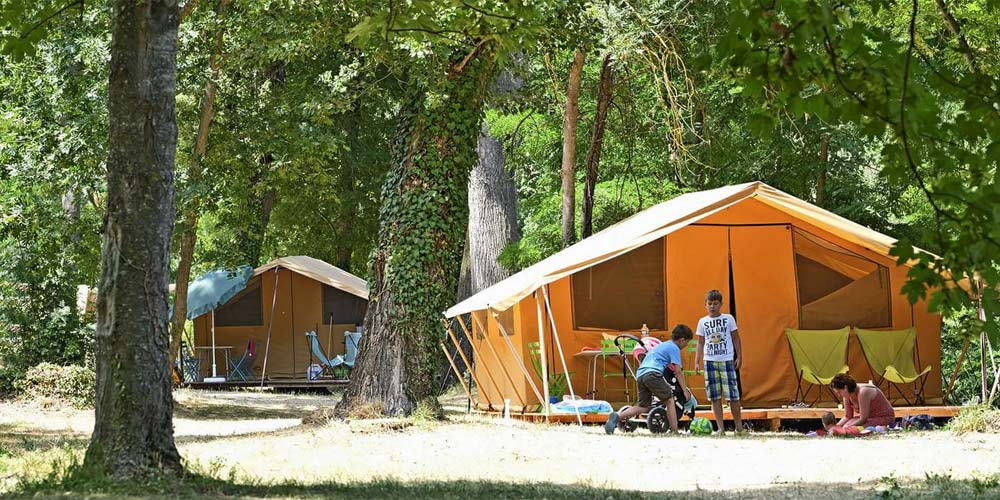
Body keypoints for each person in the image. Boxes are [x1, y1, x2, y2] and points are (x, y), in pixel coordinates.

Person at [605, 324, 694, 434]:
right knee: (670, 401)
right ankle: (675, 431)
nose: (685, 345)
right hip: (653, 374)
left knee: (643, 406)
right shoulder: (674, 348)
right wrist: (684, 390)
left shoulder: (661, 346)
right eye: (687, 343)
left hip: (641, 374)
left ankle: (618, 416)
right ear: (682, 340)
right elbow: (678, 371)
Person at [693, 289, 743, 435]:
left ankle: (739, 428)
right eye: (710, 304)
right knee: (714, 396)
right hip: (709, 361)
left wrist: (739, 356)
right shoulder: (703, 322)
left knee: (733, 396)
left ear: (721, 304)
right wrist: (697, 361)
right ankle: (720, 428)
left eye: (715, 304)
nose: (712, 306)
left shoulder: (728, 319)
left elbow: (735, 338)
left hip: (726, 360)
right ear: (705, 305)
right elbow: (700, 342)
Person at [830, 373, 895, 428]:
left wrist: (846, 429)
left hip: (883, 417)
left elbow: (863, 418)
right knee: (846, 426)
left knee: (848, 428)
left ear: (846, 387)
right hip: (869, 418)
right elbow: (847, 416)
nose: (839, 395)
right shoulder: (847, 395)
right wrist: (835, 427)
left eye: (839, 392)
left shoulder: (863, 392)